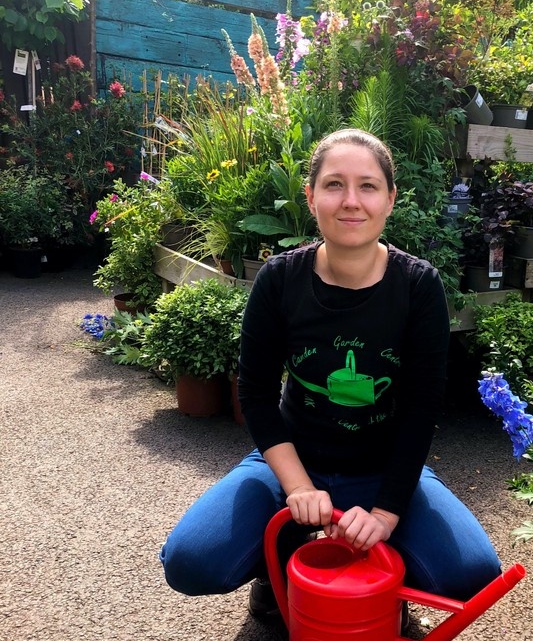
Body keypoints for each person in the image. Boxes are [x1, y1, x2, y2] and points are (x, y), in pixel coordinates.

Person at [160, 129, 502, 614]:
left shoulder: (417, 285)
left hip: (385, 467)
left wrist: (385, 514)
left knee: (471, 575)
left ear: (390, 199)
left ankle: (382, 576)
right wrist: (298, 487)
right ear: (311, 196)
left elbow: (422, 407)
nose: (351, 201)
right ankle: (278, 565)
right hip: (291, 463)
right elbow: (255, 393)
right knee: (191, 562)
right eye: (334, 184)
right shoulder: (280, 279)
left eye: (368, 186)